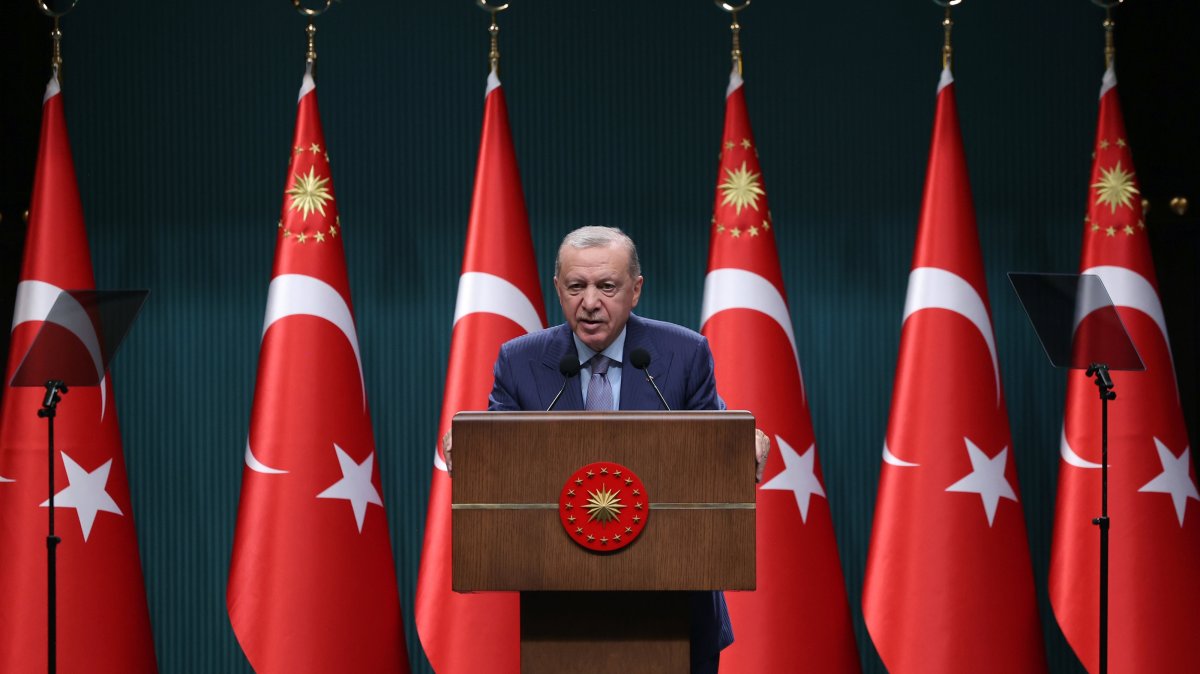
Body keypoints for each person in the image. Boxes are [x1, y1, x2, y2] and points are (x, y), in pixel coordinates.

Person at [477, 225, 765, 673]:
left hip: (677, 609)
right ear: (558, 289)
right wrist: (471, 447)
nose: (590, 302)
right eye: (576, 286)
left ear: (635, 291)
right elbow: (494, 457)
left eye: (606, 286)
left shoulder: (682, 354)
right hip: (560, 616)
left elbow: (715, 444)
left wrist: (740, 445)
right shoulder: (520, 361)